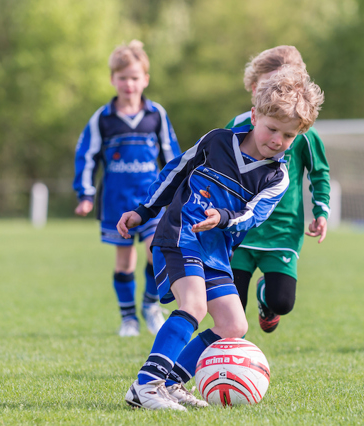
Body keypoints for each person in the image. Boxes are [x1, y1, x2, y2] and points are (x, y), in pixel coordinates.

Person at [119, 66, 324, 410]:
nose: (277, 141)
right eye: (272, 129)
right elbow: (176, 171)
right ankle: (146, 385)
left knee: (234, 324)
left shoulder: (277, 176)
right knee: (194, 306)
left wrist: (224, 217)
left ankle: (171, 383)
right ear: (254, 115)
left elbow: (253, 215)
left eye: (288, 137)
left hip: (216, 249)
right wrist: (144, 210)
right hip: (180, 234)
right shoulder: (217, 141)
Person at [72, 40, 180, 337]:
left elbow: (172, 155)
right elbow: (86, 155)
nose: (129, 84)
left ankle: (150, 306)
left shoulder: (156, 114)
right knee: (124, 261)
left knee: (156, 253)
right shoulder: (103, 119)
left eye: (135, 78)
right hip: (116, 201)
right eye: (122, 78)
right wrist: (85, 194)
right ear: (112, 80)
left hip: (151, 201)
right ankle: (128, 319)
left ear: (145, 79)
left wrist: (178, 190)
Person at [225, 46, 331, 334]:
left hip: (282, 230)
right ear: (253, 88)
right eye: (268, 85)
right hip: (239, 226)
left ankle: (266, 297)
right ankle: (232, 360)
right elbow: (217, 165)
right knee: (230, 306)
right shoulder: (238, 126)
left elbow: (319, 172)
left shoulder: (301, 133)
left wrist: (321, 211)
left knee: (281, 302)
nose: (277, 92)